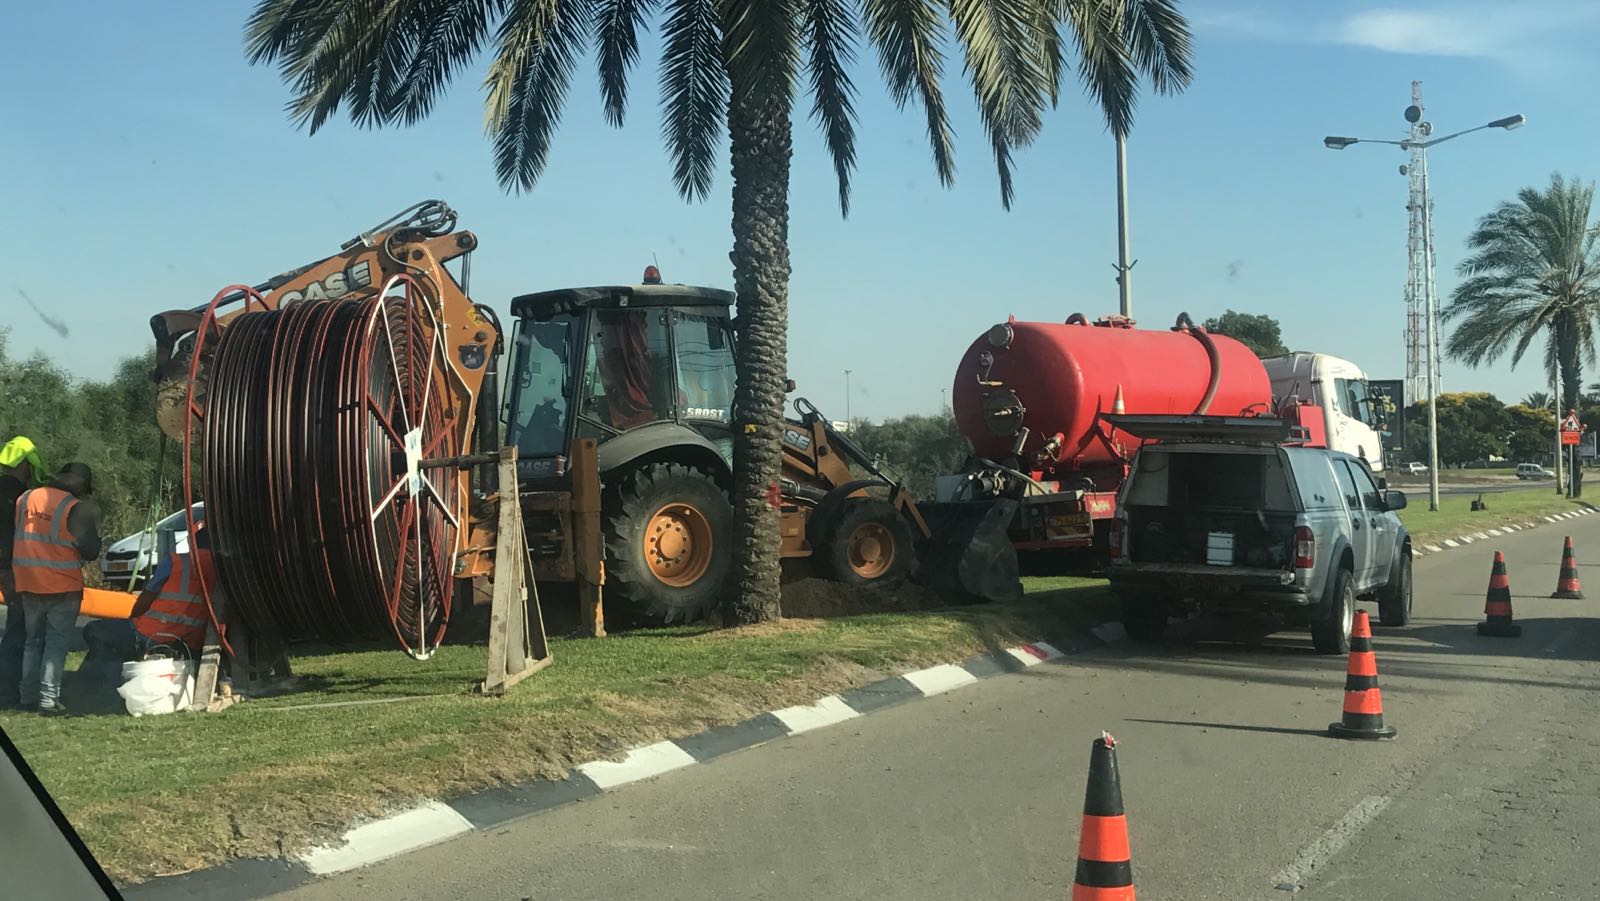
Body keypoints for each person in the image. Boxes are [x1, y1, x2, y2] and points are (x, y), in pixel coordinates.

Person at [82, 518, 217, 691]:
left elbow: (145, 599)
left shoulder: (176, 562)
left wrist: (134, 615)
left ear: (192, 542)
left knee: (94, 630)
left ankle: (104, 683)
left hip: (152, 633)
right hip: (193, 641)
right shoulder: (221, 568)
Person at [11, 462, 100, 716]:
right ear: (81, 484)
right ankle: (48, 702)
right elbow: (91, 550)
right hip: (62, 586)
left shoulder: (25, 499)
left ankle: (26, 696)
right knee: (55, 644)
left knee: (32, 641)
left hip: (28, 582)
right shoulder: (75, 509)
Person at [0, 436, 49, 708]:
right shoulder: (16, 495)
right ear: (26, 464)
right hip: (15, 568)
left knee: (19, 626)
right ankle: (10, 691)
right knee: (20, 628)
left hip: (7, 566)